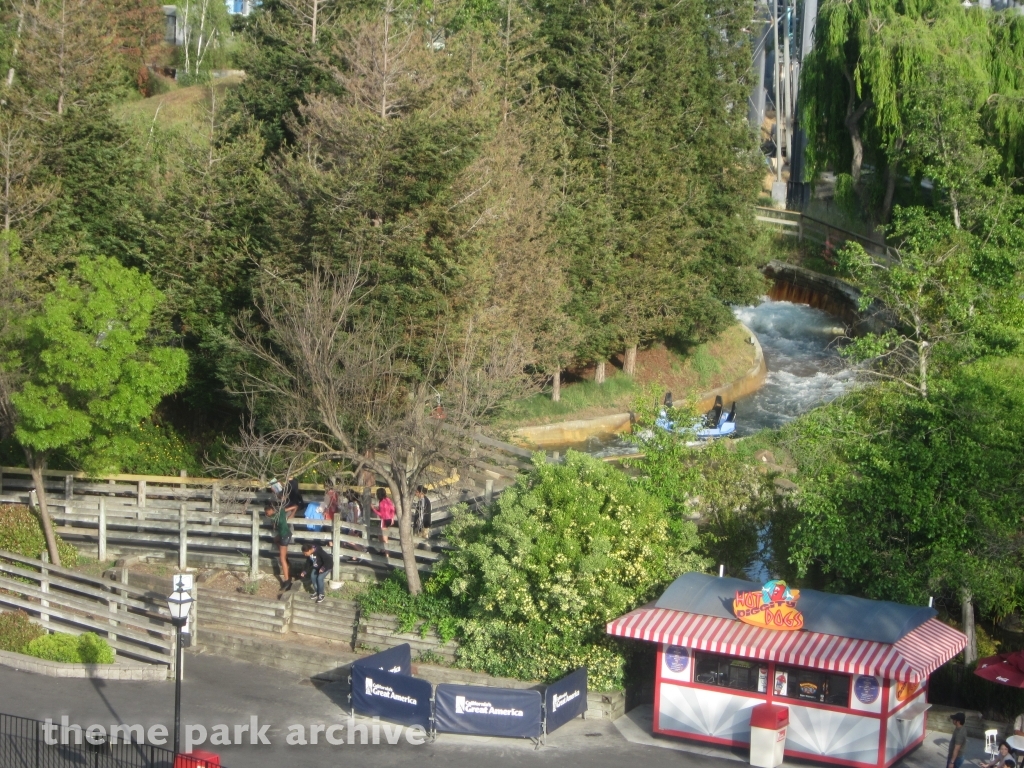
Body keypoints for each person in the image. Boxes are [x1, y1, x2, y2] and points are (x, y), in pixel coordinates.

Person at [265, 502, 295, 586]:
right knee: (275, 540)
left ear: (271, 510)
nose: (267, 515)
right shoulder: (281, 511)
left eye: (267, 513)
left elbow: (274, 525)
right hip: (285, 534)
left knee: (282, 559)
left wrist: (273, 524)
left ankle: (286, 581)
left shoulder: (274, 517)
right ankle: (285, 555)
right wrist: (292, 513)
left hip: (284, 536)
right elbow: (295, 506)